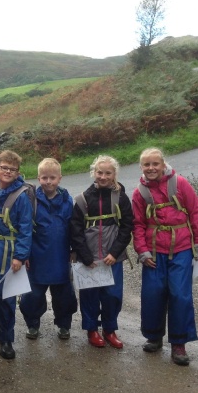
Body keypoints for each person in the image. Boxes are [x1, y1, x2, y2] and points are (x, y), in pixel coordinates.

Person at [132, 147, 198, 365]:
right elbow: (138, 224)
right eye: (146, 164)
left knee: (180, 294)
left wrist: (196, 243)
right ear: (141, 167)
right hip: (153, 251)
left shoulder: (180, 184)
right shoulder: (139, 193)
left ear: (163, 164)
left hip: (181, 248)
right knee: (153, 293)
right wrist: (142, 251)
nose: (151, 168)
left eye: (155, 164)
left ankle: (179, 343)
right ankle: (154, 336)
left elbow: (195, 212)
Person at [70, 155, 133, 349]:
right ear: (93, 173)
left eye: (108, 173)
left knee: (112, 295)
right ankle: (91, 330)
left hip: (112, 258)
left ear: (114, 174)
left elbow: (127, 227)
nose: (103, 177)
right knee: (90, 295)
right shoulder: (82, 199)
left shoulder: (120, 197)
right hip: (89, 259)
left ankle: (109, 329)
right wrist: (85, 256)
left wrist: (115, 253)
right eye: (99, 172)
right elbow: (75, 229)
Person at [19, 158, 77, 341]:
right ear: (38, 178)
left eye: (52, 177)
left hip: (60, 256)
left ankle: (64, 325)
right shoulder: (32, 200)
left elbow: (74, 228)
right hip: (37, 258)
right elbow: (25, 228)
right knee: (32, 296)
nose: (48, 181)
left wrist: (75, 249)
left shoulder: (67, 200)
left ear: (60, 178)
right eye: (44, 178)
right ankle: (32, 324)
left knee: (64, 295)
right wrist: (25, 254)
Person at [0, 150, 32, 360]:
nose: (8, 172)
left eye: (12, 169)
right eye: (4, 167)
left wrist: (20, 256)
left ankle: (7, 340)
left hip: (9, 252)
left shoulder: (21, 196)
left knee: (7, 298)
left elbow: (26, 229)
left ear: (18, 172)